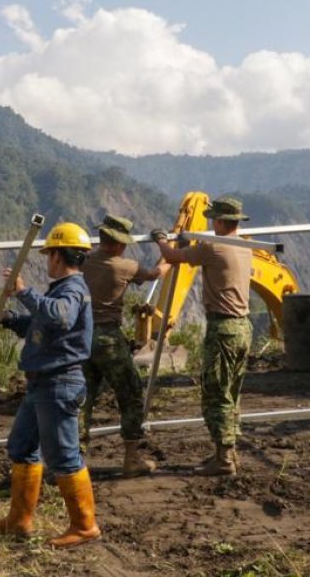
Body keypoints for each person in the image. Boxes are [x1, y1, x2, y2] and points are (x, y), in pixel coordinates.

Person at [0, 221, 101, 549]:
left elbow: (59, 317)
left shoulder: (72, 290)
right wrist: (9, 320)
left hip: (59, 384)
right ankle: (19, 521)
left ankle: (84, 524)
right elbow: (41, 326)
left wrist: (23, 292)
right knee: (22, 447)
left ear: (58, 257)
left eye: (49, 254)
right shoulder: (59, 291)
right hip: (40, 385)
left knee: (63, 456)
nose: (47, 260)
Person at [150, 195, 253, 476]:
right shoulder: (246, 246)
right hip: (243, 327)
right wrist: (188, 244)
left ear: (219, 221)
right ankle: (228, 452)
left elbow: (172, 258)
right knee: (231, 392)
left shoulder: (213, 248)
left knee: (215, 394)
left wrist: (162, 239)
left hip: (223, 329)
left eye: (213, 220)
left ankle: (223, 459)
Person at [79, 215, 165, 477]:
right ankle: (131, 458)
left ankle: (75, 459)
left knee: (83, 399)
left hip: (82, 336)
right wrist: (166, 250)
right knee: (130, 394)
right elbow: (155, 274)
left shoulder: (85, 261)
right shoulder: (124, 266)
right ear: (119, 244)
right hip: (108, 339)